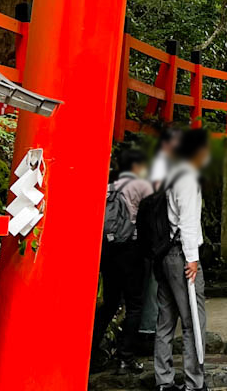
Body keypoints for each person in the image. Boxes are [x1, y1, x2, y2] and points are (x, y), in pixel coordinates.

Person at [154, 128, 210, 391]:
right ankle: (194, 382)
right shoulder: (186, 176)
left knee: (165, 320)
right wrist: (193, 258)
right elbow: (188, 221)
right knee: (192, 322)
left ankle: (163, 379)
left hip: (164, 253)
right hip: (180, 254)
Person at [93, 147, 154, 372]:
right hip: (131, 252)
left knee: (109, 303)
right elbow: (149, 220)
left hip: (108, 251)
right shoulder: (141, 186)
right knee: (135, 305)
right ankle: (125, 357)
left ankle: (90, 351)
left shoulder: (109, 185)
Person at [141, 126, 183, 342]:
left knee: (156, 291)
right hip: (167, 243)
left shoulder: (154, 169)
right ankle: (149, 330)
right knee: (177, 304)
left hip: (151, 240)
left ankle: (149, 330)